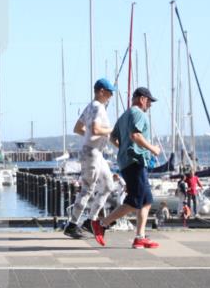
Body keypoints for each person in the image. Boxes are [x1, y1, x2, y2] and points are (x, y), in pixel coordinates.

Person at [91, 87, 162, 248]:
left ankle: (140, 237)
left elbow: (113, 137)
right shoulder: (138, 114)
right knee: (134, 201)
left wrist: (123, 148)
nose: (149, 105)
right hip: (135, 162)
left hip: (127, 162)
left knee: (146, 200)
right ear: (142, 98)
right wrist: (153, 149)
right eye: (149, 101)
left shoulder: (124, 116)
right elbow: (135, 135)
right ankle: (101, 224)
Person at [64, 78, 116, 239]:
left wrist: (91, 135)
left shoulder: (91, 106)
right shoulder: (97, 107)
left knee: (108, 186)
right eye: (109, 92)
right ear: (101, 91)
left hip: (96, 152)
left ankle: (90, 221)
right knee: (87, 189)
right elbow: (94, 129)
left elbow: (78, 128)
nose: (111, 96)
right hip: (91, 153)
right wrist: (112, 130)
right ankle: (72, 225)